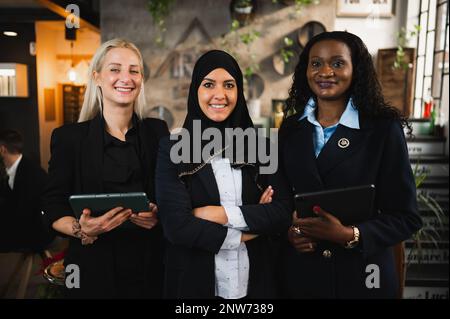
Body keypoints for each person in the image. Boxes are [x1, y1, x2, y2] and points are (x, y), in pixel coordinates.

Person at [278, 31, 422, 298]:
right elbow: (282, 201)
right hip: (303, 279)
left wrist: (349, 234)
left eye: (337, 63)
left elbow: (406, 217)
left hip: (364, 278)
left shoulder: (382, 129)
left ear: (356, 69)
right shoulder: (290, 130)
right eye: (316, 63)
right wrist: (291, 232)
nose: (325, 72)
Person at [155, 50, 292, 299]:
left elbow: (282, 214)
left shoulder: (263, 147)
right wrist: (254, 229)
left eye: (229, 85)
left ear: (239, 91)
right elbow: (176, 227)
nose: (220, 95)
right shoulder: (172, 148)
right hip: (194, 285)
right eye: (208, 85)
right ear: (195, 91)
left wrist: (216, 214)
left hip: (257, 285)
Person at [42, 39, 169, 298]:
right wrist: (81, 229)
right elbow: (52, 205)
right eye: (115, 69)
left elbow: (173, 196)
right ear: (97, 77)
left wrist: (159, 214)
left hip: (151, 268)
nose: (126, 77)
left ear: (141, 79)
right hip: (92, 269)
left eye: (134, 70)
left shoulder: (157, 132)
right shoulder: (69, 138)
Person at [0, 129, 52, 252]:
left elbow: (24, 213)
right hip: (20, 224)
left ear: (2, 149)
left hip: (34, 233)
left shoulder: (32, 173)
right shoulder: (12, 168)